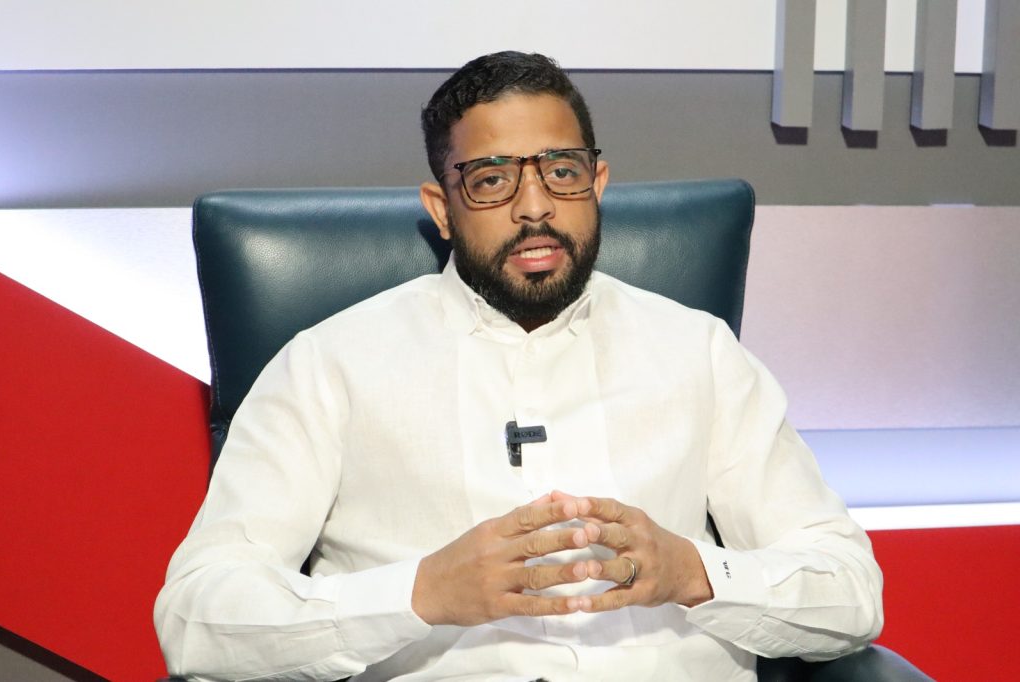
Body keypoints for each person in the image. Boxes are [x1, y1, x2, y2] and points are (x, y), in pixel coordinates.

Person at [155, 51, 882, 681]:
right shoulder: (329, 364)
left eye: (561, 171)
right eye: (492, 180)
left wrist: (697, 572)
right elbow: (196, 617)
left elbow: (850, 590)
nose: (535, 208)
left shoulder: (700, 351)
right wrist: (418, 593)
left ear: (597, 183)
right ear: (442, 208)